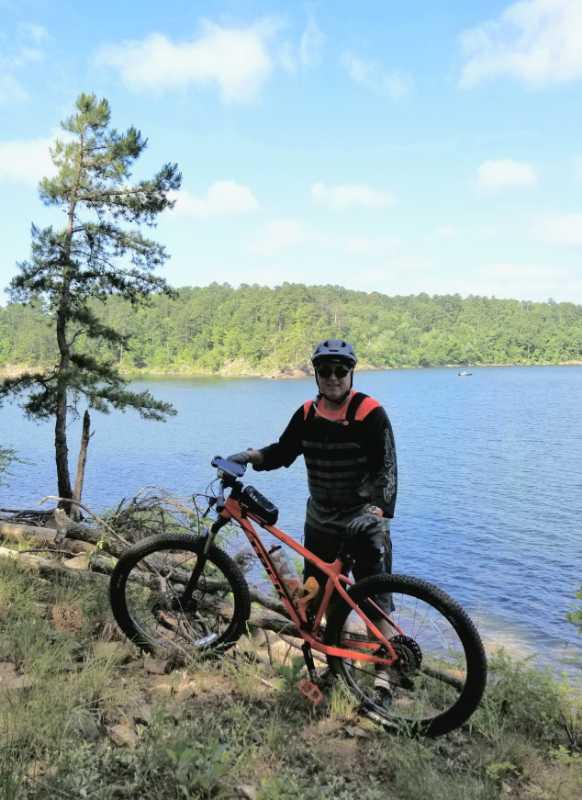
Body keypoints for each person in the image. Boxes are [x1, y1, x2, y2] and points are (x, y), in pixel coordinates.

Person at [228, 338, 397, 705]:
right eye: (325, 370)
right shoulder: (307, 414)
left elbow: (386, 470)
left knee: (375, 595)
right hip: (320, 519)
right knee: (323, 593)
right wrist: (249, 455)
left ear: (351, 373)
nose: (333, 377)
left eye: (341, 370)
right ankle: (338, 666)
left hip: (362, 519)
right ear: (316, 374)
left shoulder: (370, 413)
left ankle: (386, 673)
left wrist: (375, 513)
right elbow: (283, 451)